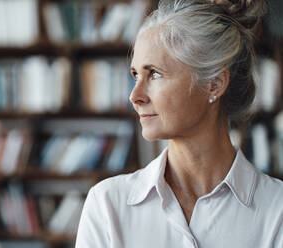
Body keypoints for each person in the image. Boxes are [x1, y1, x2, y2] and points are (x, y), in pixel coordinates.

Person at [75, 0, 283, 247]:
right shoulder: (108, 204)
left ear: (214, 84)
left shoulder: (277, 210)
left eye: (155, 74)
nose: (135, 96)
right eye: (135, 75)